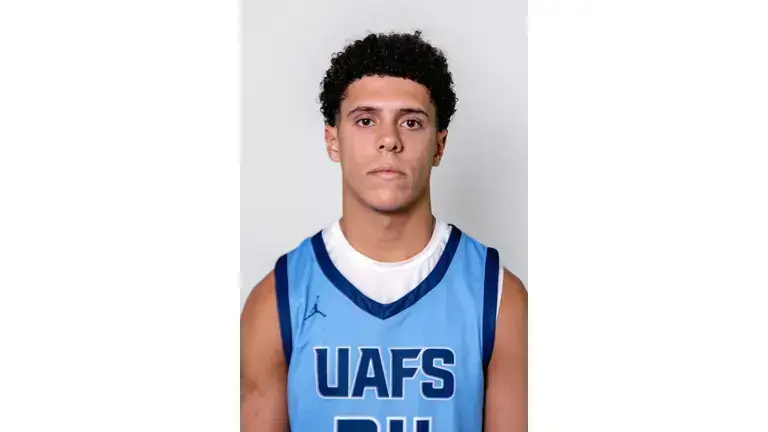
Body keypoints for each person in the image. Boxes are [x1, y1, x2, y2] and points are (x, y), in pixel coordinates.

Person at [241, 30, 527, 432]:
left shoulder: (498, 298)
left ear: (439, 145)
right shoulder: (277, 300)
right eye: (365, 120)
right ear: (333, 140)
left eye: (411, 122)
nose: (389, 140)